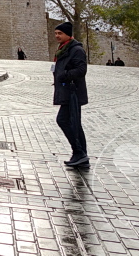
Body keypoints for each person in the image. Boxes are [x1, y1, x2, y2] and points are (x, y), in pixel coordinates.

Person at [52, 21, 88, 168]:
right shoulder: (63, 49)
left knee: (64, 120)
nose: (57, 36)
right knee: (74, 123)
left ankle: (79, 152)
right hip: (66, 90)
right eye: (55, 33)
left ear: (68, 34)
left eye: (60, 33)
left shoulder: (76, 50)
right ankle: (81, 155)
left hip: (73, 92)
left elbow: (81, 70)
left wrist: (64, 75)